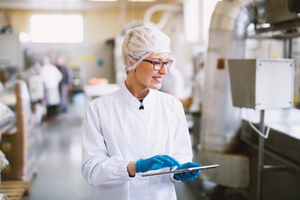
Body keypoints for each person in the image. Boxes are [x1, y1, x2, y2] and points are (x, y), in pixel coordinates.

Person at [82, 26, 202, 200]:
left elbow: (181, 155)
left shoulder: (172, 106)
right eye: (157, 62)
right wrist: (133, 167)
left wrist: (180, 171)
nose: (164, 70)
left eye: (167, 61)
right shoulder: (99, 110)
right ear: (131, 62)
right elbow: (92, 170)